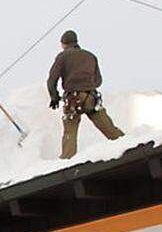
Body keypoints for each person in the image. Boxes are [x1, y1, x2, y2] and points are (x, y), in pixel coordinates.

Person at [46, 29, 124, 159]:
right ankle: (126, 144)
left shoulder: (63, 56)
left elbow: (51, 79)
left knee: (70, 130)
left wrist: (54, 97)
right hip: (91, 97)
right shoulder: (91, 56)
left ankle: (67, 159)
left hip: (73, 99)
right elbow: (98, 80)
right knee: (108, 127)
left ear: (63, 43)